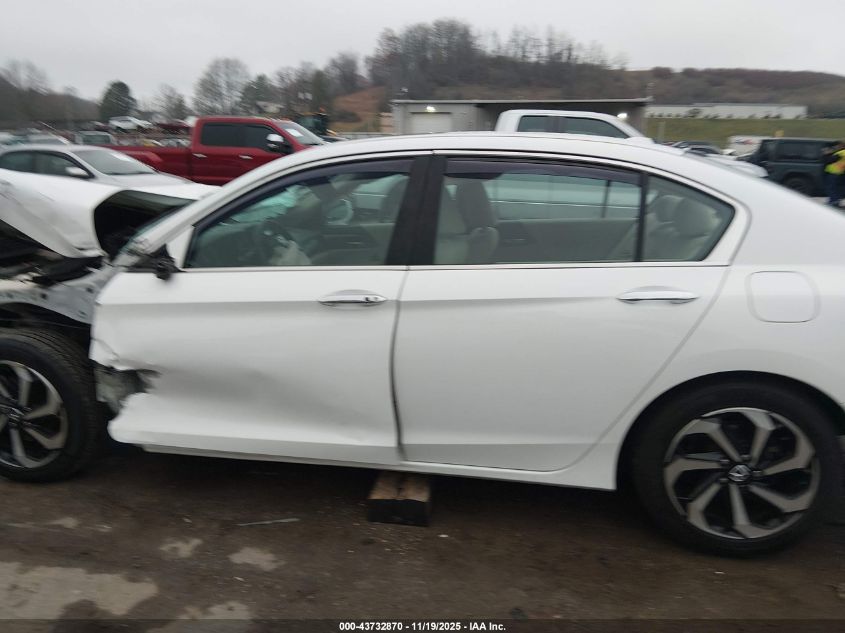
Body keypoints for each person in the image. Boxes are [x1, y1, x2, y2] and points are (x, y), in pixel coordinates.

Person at [823, 140, 845, 207]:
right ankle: (835, 201)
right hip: (839, 173)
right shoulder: (841, 152)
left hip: (834, 173)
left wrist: (827, 153)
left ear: (841, 146)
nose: (836, 147)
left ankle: (833, 201)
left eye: (837, 146)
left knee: (831, 188)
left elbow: (829, 160)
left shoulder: (841, 152)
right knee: (836, 188)